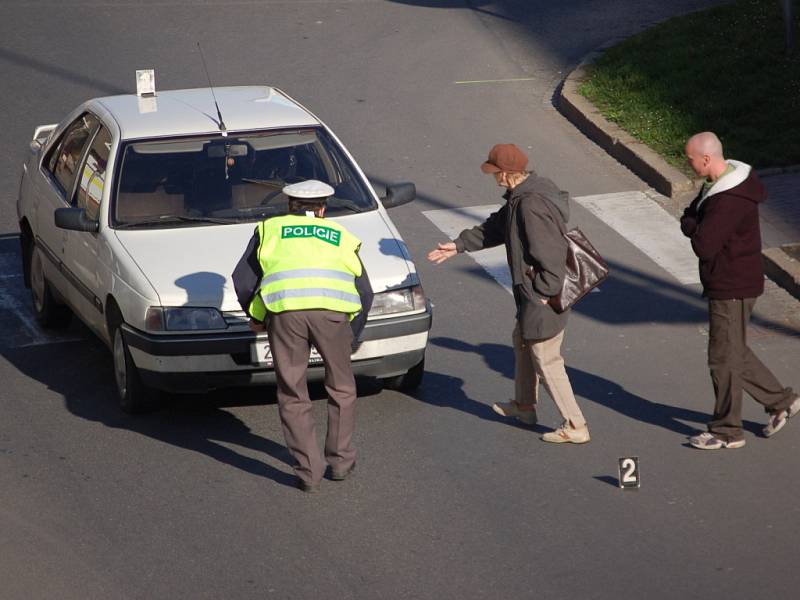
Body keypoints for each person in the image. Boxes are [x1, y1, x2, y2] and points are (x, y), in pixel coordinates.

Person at [427, 144, 590, 444]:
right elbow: (496, 227)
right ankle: (524, 406)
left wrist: (544, 292)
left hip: (543, 294)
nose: (493, 177)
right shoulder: (525, 195)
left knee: (546, 357)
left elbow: (549, 253)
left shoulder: (529, 205)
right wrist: (459, 245)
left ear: (504, 173)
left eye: (494, 172)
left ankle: (576, 425)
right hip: (535, 292)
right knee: (523, 340)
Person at [233, 180, 373, 491]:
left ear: (289, 206)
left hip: (285, 314)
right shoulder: (341, 236)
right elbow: (365, 291)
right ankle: (340, 461)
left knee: (293, 391)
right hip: (333, 317)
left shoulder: (270, 230)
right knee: (342, 388)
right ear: (323, 208)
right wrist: (352, 333)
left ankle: (309, 471)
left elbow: (243, 280)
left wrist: (257, 316)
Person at [681, 132, 799, 450]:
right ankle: (782, 401)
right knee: (733, 351)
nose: (687, 162)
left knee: (722, 358)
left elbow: (704, 244)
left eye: (689, 158)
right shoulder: (717, 185)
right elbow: (690, 219)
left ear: (706, 159)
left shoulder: (728, 199)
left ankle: (726, 431)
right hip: (732, 281)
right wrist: (694, 223)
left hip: (731, 284)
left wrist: (693, 224)